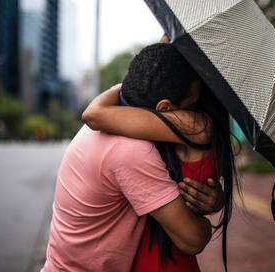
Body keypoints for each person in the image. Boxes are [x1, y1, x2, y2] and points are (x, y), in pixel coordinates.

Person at [41, 43, 224, 272]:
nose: (195, 114)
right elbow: (192, 239)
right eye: (192, 106)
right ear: (165, 108)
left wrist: (216, 199)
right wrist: (206, 225)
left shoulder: (113, 115)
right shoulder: (132, 151)